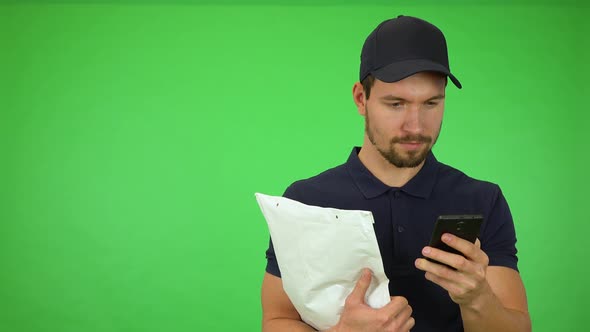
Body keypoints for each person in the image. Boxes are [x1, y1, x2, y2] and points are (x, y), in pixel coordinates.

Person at [261, 15, 531, 332]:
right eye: (396, 103)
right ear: (362, 98)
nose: (415, 126)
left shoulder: (482, 200)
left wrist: (477, 298)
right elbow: (277, 320)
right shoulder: (306, 201)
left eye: (431, 102)